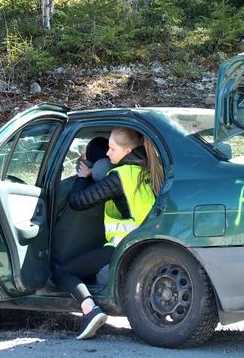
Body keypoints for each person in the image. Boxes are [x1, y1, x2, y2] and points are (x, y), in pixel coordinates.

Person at [51, 127, 163, 340]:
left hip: (122, 247)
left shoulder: (119, 177)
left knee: (62, 273)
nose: (108, 154)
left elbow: (78, 201)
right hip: (147, 246)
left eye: (112, 149)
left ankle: (91, 311)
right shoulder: (150, 170)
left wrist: (83, 177)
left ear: (128, 150)